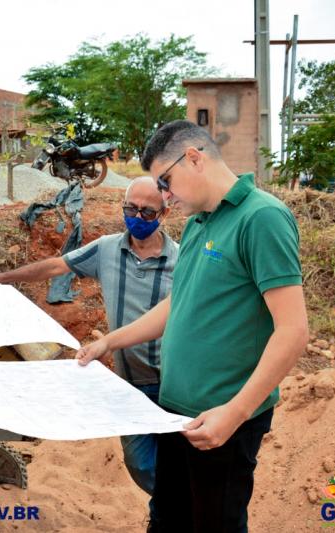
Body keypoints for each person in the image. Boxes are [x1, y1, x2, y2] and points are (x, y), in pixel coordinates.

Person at [76, 120, 309, 533]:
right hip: (174, 413)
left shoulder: (262, 218)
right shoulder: (201, 221)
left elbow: (292, 330)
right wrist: (109, 342)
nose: (165, 196)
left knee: (214, 524)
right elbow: (177, 304)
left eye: (166, 181)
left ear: (195, 158)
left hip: (220, 420)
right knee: (168, 518)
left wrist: (235, 413)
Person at [0, 177, 178, 516]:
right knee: (142, 465)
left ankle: (171, 517)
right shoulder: (107, 249)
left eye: (147, 211)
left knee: (177, 462)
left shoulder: (182, 261)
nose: (137, 217)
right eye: (130, 209)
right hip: (129, 384)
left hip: (174, 383)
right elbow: (57, 265)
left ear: (164, 214)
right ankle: (177, 508)